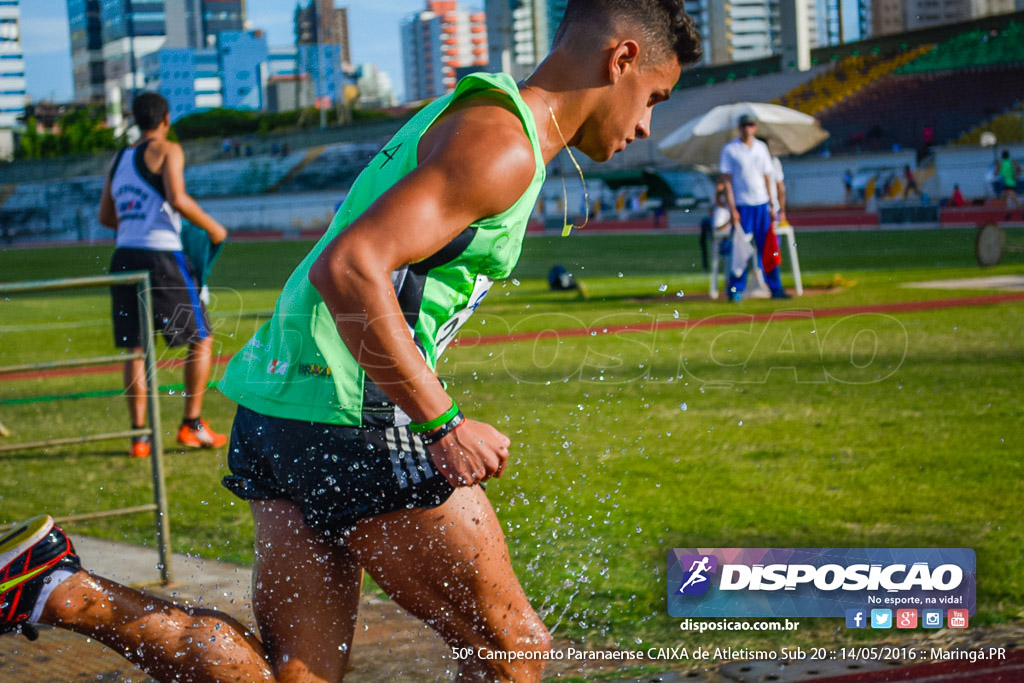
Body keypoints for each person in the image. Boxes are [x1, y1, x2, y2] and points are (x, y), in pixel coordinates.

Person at [1, 3, 702, 681]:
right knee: (512, 647)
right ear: (623, 58)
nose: (646, 124)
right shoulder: (503, 144)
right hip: (351, 415)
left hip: (282, 404)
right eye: (656, 97)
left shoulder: (465, 111)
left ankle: (59, 587)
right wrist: (443, 422)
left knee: (293, 675)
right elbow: (351, 267)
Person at [97, 92, 230, 458]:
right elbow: (177, 197)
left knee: (136, 348)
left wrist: (134, 225)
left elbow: (106, 217)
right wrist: (215, 229)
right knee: (201, 336)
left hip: (124, 254)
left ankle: (139, 437)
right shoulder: (169, 150)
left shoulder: (119, 158)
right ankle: (192, 423)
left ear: (135, 120)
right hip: (162, 256)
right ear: (166, 119)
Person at [720, 114, 788, 301]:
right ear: (739, 127)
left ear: (755, 127)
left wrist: (773, 205)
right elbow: (727, 182)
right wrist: (732, 209)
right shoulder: (730, 149)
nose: (747, 129)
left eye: (750, 125)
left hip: (762, 205)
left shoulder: (761, 147)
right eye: (744, 125)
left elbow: (768, 176)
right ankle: (735, 290)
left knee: (769, 248)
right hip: (742, 205)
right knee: (740, 250)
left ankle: (775, 288)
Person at [998, 150, 1021, 218]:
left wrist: (999, 173)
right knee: (1005, 198)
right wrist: (1017, 175)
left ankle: (1021, 210)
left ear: (1002, 156)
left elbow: (995, 172)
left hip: (1005, 183)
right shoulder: (1011, 162)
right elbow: (1019, 168)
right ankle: (1008, 212)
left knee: (1012, 198)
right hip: (1011, 183)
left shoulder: (1000, 163)